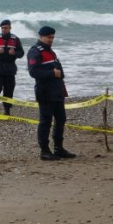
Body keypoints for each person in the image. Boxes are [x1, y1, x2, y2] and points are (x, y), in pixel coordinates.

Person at [27, 26, 76, 161]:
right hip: (45, 92)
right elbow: (33, 72)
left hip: (57, 91)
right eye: (49, 37)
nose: (51, 40)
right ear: (41, 36)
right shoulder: (35, 51)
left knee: (61, 119)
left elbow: (60, 71)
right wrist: (52, 73)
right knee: (46, 121)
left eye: (53, 37)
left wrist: (59, 76)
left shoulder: (51, 52)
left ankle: (59, 148)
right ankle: (44, 150)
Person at [0, 19, 24, 115]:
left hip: (10, 68)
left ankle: (7, 111)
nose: (3, 30)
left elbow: (21, 53)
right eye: (2, 28)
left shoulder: (15, 39)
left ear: (10, 28)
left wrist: (14, 53)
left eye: (5, 28)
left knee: (9, 90)